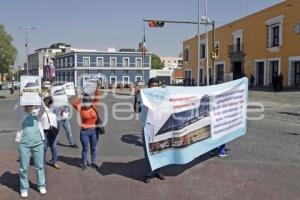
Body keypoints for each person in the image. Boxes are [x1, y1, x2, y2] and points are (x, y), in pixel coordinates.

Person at [134, 77, 165, 183]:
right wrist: (136, 96)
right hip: (147, 127)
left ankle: (158, 171)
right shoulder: (143, 95)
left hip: (159, 127)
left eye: (156, 85)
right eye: (152, 85)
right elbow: (136, 110)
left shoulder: (162, 95)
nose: (154, 87)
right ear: (149, 86)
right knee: (148, 152)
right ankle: (148, 173)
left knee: (159, 150)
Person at [16, 100, 47, 198]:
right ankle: (24, 188)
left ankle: (41, 185)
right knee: (23, 168)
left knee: (40, 166)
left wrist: (39, 97)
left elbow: (43, 108)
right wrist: (21, 97)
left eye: (31, 105)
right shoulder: (21, 113)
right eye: (27, 104)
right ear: (24, 105)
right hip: (24, 144)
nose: (29, 106)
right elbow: (16, 107)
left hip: (38, 143)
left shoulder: (37, 112)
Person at [72, 80, 101, 171]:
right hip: (84, 132)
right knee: (85, 149)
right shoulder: (81, 108)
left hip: (94, 131)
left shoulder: (94, 106)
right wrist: (80, 95)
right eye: (85, 102)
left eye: (89, 102)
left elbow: (97, 97)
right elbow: (74, 103)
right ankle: (84, 164)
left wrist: (98, 87)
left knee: (94, 148)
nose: (87, 104)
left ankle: (93, 162)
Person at [41, 92, 60, 169]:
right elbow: (41, 104)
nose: (48, 100)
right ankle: (43, 163)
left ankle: (55, 161)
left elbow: (58, 117)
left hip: (53, 130)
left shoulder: (53, 107)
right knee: (44, 147)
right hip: (45, 129)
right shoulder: (41, 108)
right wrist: (41, 97)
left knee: (54, 146)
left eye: (49, 98)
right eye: (46, 99)